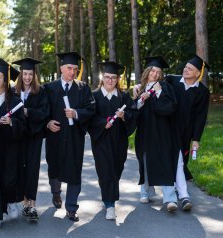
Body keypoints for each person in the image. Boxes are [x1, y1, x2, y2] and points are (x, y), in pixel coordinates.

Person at [45, 52, 95, 222]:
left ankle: (71, 208)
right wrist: (47, 123)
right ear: (61, 68)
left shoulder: (83, 88)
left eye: (75, 68)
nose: (72, 72)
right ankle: (56, 193)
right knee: (54, 170)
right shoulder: (49, 88)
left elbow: (91, 110)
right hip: (55, 137)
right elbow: (43, 110)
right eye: (69, 68)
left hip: (75, 138)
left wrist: (76, 113)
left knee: (74, 171)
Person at [88, 61, 135, 220]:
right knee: (105, 171)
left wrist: (124, 117)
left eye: (113, 78)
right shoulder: (94, 97)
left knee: (116, 170)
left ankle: (108, 194)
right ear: (102, 78)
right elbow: (89, 118)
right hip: (101, 141)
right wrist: (103, 123)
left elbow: (133, 115)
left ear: (117, 79)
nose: (110, 80)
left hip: (119, 141)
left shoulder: (123, 97)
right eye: (107, 77)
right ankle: (110, 205)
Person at [164, 55, 210, 211]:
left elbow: (200, 116)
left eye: (190, 68)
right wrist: (138, 86)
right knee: (171, 160)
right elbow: (153, 81)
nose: (185, 69)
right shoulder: (172, 80)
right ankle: (177, 194)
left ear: (198, 73)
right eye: (185, 67)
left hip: (185, 130)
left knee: (181, 160)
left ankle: (177, 190)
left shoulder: (202, 91)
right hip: (168, 127)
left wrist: (196, 138)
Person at [133, 56, 179, 212]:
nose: (155, 74)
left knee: (165, 161)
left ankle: (170, 198)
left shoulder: (165, 87)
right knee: (145, 162)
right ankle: (145, 192)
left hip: (162, 131)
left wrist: (158, 93)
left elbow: (170, 109)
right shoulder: (139, 88)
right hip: (145, 131)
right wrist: (140, 100)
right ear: (147, 71)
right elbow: (133, 111)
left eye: (158, 72)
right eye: (153, 70)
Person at [0, 59, 26, 229]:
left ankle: (10, 200)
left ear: (5, 80)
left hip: (10, 146)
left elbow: (23, 125)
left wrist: (11, 122)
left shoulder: (15, 101)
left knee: (9, 178)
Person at [12, 57, 49, 222]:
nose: (27, 77)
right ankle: (25, 202)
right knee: (20, 167)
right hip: (18, 136)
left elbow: (44, 113)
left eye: (30, 74)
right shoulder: (13, 91)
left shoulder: (40, 91)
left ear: (34, 75)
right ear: (21, 74)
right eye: (25, 73)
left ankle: (32, 204)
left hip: (34, 135)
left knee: (33, 167)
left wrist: (28, 112)